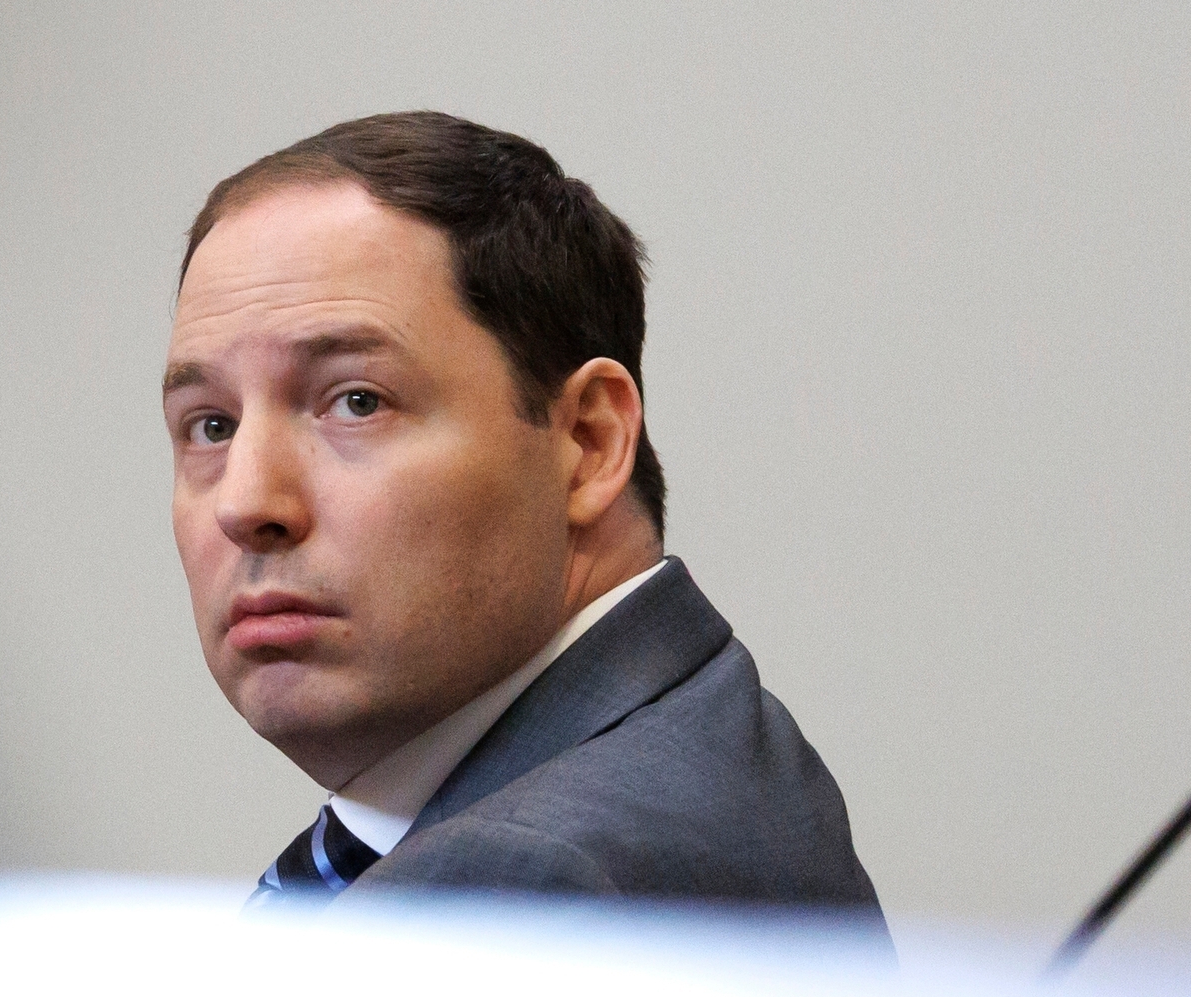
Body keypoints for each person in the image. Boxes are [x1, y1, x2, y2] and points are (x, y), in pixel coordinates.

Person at [167, 113, 883, 922]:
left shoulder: (526, 886)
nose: (246, 503)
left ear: (587, 441)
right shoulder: (686, 752)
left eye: (356, 402)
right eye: (211, 426)